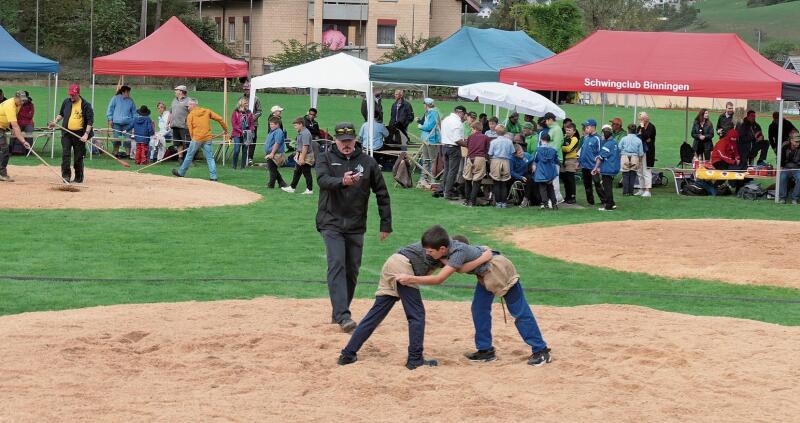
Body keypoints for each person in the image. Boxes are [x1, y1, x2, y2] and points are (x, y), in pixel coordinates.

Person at [395, 225, 552, 367]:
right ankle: (485, 350)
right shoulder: (448, 251)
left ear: (443, 248)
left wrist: (411, 279)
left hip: (498, 271)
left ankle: (541, 350)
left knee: (519, 311)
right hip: (484, 275)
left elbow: (441, 278)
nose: (427, 253)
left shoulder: (457, 252)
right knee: (479, 309)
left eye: (430, 251)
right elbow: (455, 268)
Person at [337, 241, 493, 369]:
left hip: (392, 263)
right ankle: (415, 359)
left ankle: (348, 354)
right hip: (402, 267)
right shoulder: (444, 251)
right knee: (417, 315)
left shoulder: (437, 246)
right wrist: (484, 256)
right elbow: (447, 274)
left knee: (376, 313)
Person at [316, 122, 392, 332]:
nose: (346, 145)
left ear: (355, 140)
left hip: (356, 224)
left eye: (349, 141)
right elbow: (322, 180)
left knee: (352, 271)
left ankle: (339, 311)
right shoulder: (325, 158)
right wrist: (342, 181)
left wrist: (386, 223)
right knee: (337, 263)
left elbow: (382, 194)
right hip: (330, 222)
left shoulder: (367, 162)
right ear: (335, 141)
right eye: (342, 142)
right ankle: (343, 316)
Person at [171, 98, 228, 181]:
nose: (188, 107)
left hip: (196, 138)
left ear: (194, 105)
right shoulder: (207, 111)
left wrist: (193, 138)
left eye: (189, 106)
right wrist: (225, 129)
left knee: (189, 156)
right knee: (210, 158)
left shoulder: (190, 115)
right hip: (207, 138)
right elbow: (220, 119)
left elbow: (190, 130)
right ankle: (213, 177)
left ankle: (181, 173)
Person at [49, 84, 93, 183]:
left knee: (78, 157)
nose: (71, 97)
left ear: (78, 93)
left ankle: (78, 177)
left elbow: (90, 121)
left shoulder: (85, 105)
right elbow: (61, 114)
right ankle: (66, 176)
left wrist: (86, 134)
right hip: (66, 133)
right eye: (70, 95)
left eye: (73, 95)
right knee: (65, 155)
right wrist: (55, 122)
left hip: (79, 134)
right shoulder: (66, 102)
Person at [434, 105, 466, 199]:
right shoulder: (457, 122)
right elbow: (457, 139)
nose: (463, 117)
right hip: (453, 148)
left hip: (445, 146)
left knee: (447, 170)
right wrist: (467, 145)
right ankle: (448, 193)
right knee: (453, 171)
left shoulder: (446, 119)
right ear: (460, 113)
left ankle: (444, 190)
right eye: (463, 114)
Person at [0, 91, 32, 182]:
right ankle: (2, 174)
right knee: (5, 150)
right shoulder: (10, 105)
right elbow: (15, 125)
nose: (22, 102)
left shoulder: (18, 104)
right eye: (21, 100)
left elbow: (12, 120)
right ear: (16, 98)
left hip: (2, 127)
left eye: (24, 100)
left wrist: (12, 129)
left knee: (3, 149)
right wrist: (23, 141)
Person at [459, 121, 492, 207]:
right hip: (480, 159)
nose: (471, 130)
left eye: (472, 129)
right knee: (477, 181)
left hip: (470, 159)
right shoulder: (486, 137)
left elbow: (468, 146)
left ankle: (467, 200)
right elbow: (487, 150)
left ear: (475, 128)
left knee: (468, 180)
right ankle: (472, 202)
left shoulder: (470, 137)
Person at [282, 117, 315, 194]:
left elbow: (305, 146)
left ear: (301, 124)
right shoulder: (301, 132)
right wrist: (297, 154)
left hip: (306, 155)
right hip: (301, 154)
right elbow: (299, 145)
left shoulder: (305, 133)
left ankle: (309, 190)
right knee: (297, 172)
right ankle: (292, 187)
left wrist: (302, 158)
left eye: (296, 125)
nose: (295, 127)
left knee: (307, 172)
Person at [593, 126, 621, 211]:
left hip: (608, 168)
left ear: (606, 134)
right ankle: (612, 203)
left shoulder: (607, 145)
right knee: (608, 186)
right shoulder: (614, 142)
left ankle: (608, 206)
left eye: (602, 134)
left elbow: (600, 157)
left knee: (607, 187)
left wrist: (595, 168)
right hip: (614, 167)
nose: (601, 135)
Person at [578, 119, 605, 205]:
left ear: (593, 127)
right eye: (585, 127)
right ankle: (590, 202)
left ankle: (604, 200)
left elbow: (600, 152)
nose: (585, 129)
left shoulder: (597, 138)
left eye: (587, 127)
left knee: (597, 183)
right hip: (585, 165)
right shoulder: (586, 138)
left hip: (593, 166)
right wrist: (579, 162)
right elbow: (583, 150)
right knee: (587, 185)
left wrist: (598, 166)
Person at [106, 85, 136, 159]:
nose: (128, 93)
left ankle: (128, 154)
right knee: (116, 138)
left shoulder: (131, 101)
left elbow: (134, 112)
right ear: (123, 92)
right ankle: (115, 153)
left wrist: (133, 121)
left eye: (129, 92)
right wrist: (110, 119)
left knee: (128, 139)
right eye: (127, 92)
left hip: (128, 123)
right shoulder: (115, 98)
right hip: (116, 123)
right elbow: (110, 109)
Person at [488, 124, 514, 208]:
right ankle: (504, 202)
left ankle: (498, 202)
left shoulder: (493, 142)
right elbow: (512, 152)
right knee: (504, 183)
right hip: (506, 161)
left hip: (496, 161)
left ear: (496, 132)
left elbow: (490, 153)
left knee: (496, 182)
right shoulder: (509, 142)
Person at [239, 81, 263, 165]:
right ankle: (244, 156)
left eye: (247, 89)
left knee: (252, 140)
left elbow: (260, 111)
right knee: (244, 139)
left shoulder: (256, 99)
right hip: (243, 124)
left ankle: (250, 157)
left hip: (253, 124)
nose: (246, 91)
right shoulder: (241, 99)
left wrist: (252, 117)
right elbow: (238, 110)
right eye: (245, 89)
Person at [533, 133, 559, 210]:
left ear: (541, 140)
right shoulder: (553, 150)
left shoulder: (538, 150)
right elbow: (555, 160)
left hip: (541, 171)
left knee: (542, 188)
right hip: (550, 171)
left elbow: (536, 160)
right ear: (549, 140)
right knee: (550, 187)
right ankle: (554, 204)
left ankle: (545, 204)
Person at [418, 98, 440, 183]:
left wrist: (421, 126)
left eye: (424, 104)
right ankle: (424, 178)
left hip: (431, 140)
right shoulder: (429, 113)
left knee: (432, 160)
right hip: (425, 139)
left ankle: (432, 179)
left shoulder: (433, 113)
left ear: (426, 105)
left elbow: (430, 126)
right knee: (425, 160)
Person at [619, 124, 644, 196]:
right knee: (633, 175)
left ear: (628, 130)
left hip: (625, 157)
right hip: (634, 157)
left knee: (625, 175)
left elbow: (619, 148)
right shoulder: (638, 140)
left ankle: (625, 192)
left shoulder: (624, 138)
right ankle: (630, 191)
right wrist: (640, 162)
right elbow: (641, 153)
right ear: (636, 131)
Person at [231, 98, 255, 170]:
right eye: (245, 103)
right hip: (237, 134)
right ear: (241, 103)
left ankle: (243, 166)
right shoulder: (235, 112)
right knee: (236, 150)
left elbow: (251, 123)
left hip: (247, 134)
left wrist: (250, 130)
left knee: (245, 151)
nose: (247, 104)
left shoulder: (249, 112)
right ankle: (234, 165)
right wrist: (241, 130)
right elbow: (234, 124)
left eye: (247, 103)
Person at [264, 117, 288, 189]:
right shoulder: (272, 131)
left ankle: (271, 185)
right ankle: (282, 183)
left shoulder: (278, 132)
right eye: (270, 124)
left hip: (275, 154)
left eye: (272, 124)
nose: (271, 126)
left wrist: (272, 153)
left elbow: (277, 143)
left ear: (277, 124)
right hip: (271, 153)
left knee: (272, 169)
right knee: (273, 169)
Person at [636, 112, 656, 197]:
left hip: (648, 152)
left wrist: (643, 128)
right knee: (639, 171)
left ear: (647, 118)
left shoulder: (651, 127)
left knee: (646, 171)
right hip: (640, 151)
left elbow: (647, 137)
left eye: (643, 118)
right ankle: (641, 188)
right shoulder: (639, 127)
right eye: (640, 119)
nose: (642, 120)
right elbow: (638, 137)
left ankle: (648, 190)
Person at [169, 85, 190, 161]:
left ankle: (188, 160)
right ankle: (180, 158)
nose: (175, 91)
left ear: (181, 91)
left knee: (186, 143)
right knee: (178, 143)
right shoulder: (174, 100)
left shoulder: (188, 100)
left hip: (184, 126)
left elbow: (192, 112)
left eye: (176, 90)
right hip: (175, 125)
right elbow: (171, 112)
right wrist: (168, 122)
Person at [778, 130, 800, 204]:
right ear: (791, 140)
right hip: (786, 168)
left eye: (799, 141)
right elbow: (781, 159)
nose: (798, 143)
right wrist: (781, 166)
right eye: (796, 141)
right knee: (782, 177)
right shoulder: (785, 147)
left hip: (797, 168)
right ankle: (782, 198)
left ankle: (795, 198)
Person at [560, 122, 579, 204]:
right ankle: (567, 197)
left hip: (571, 160)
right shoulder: (564, 137)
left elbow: (568, 149)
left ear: (574, 131)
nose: (567, 131)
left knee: (571, 179)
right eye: (566, 130)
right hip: (564, 160)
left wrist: (561, 147)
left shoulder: (574, 139)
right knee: (565, 180)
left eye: (569, 130)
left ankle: (572, 196)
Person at [12, 91, 34, 155]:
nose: (23, 101)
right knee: (14, 133)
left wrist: (21, 114)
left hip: (28, 123)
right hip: (18, 122)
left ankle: (28, 151)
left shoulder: (31, 104)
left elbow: (30, 115)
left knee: (29, 134)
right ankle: (14, 150)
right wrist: (24, 115)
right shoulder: (17, 104)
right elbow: (15, 114)